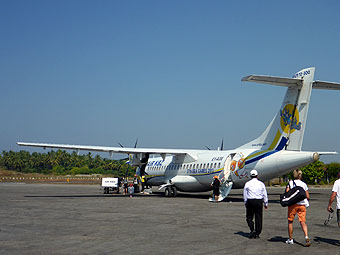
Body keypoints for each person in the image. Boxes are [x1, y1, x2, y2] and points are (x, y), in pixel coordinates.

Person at [285, 169, 311, 247]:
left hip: (293, 204)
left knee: (290, 221)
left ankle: (290, 239)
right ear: (300, 175)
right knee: (303, 221)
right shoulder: (304, 184)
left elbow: (287, 192)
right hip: (302, 204)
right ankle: (306, 236)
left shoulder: (290, 183)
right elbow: (308, 196)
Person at [243, 169, 268, 239]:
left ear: (250, 176)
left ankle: (252, 228)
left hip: (250, 201)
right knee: (258, 217)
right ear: (257, 176)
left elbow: (245, 194)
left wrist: (245, 202)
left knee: (249, 217)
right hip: (258, 201)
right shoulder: (261, 184)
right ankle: (257, 232)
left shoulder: (247, 184)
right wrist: (266, 203)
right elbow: (264, 194)